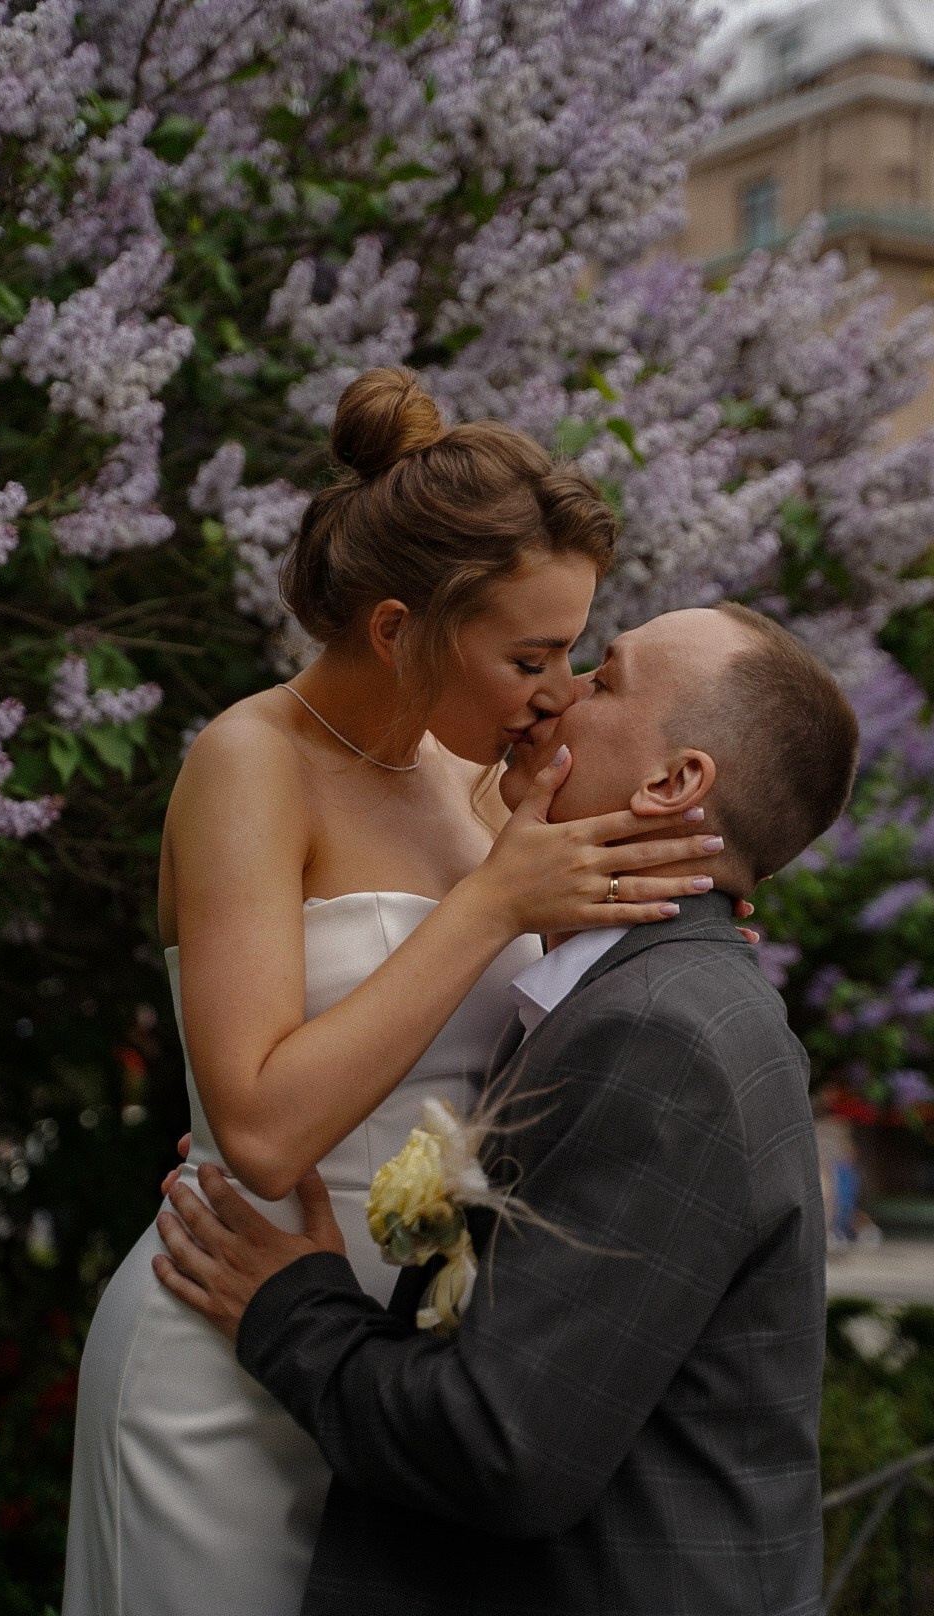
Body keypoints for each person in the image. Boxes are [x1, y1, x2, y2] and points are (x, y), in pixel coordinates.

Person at [60, 369, 733, 1616]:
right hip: (221, 1362)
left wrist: (690, 912)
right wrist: (493, 904)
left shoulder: (487, 786)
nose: (561, 688)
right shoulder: (249, 764)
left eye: (574, 651)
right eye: (529, 655)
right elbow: (261, 1130)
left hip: (410, 1384)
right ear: (395, 628)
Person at [152, 602, 860, 1616]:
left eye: (604, 678)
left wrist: (290, 1301)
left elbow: (502, 1449)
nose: (560, 692)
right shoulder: (648, 994)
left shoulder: (660, 1034)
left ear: (673, 783)